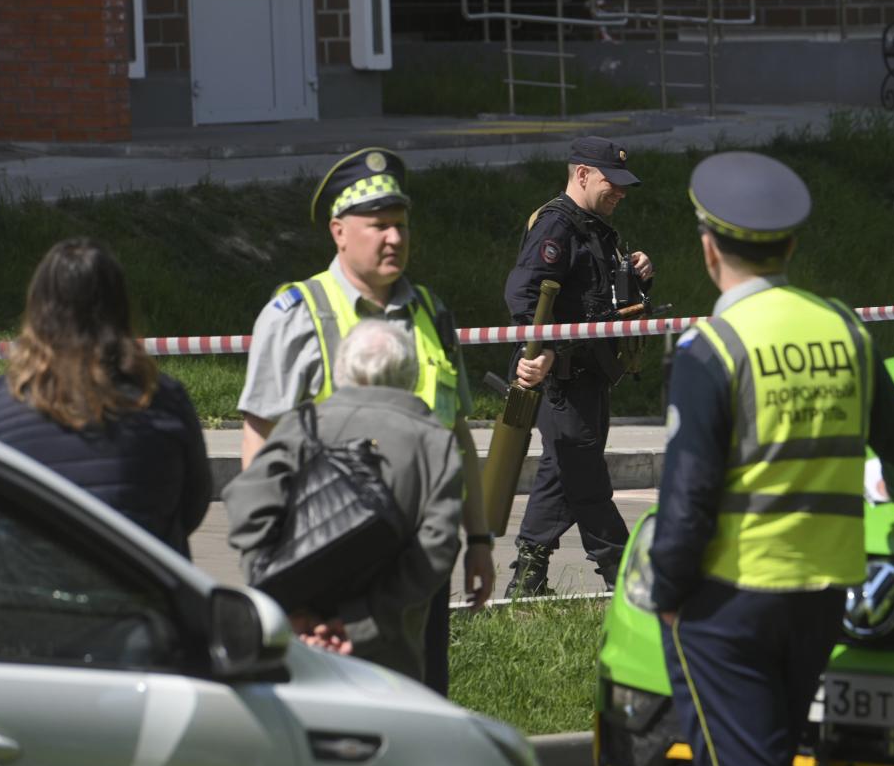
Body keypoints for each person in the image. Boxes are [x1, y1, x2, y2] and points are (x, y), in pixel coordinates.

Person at [649, 152, 894, 766]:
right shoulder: (847, 332)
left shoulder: (712, 348)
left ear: (708, 249)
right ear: (791, 246)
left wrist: (666, 592)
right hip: (823, 594)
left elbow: (688, 493)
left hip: (731, 597)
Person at [237, 147, 493, 696]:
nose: (394, 239)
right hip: (326, 572)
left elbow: (459, 438)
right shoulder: (295, 315)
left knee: (419, 715)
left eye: (400, 225)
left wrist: (479, 540)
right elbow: (259, 443)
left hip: (417, 577)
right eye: (378, 225)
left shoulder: (433, 313)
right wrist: (275, 576)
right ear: (338, 231)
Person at [225, 320, 463, 681]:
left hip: (295, 642)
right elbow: (438, 547)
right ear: (410, 374)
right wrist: (361, 625)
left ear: (342, 369)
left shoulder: (303, 425)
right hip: (388, 656)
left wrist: (284, 601)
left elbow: (247, 503)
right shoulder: (434, 443)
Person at [0, 237, 211, 559]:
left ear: (37, 309)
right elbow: (191, 505)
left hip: (25, 596)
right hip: (143, 592)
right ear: (120, 309)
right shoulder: (163, 399)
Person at [502, 135, 653, 596]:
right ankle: (626, 576)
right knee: (585, 476)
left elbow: (599, 296)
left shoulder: (594, 227)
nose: (620, 193)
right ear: (582, 175)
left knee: (561, 467)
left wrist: (637, 273)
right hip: (562, 377)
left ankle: (528, 576)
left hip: (591, 375)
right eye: (613, 183)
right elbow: (523, 297)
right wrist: (542, 350)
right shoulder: (557, 226)